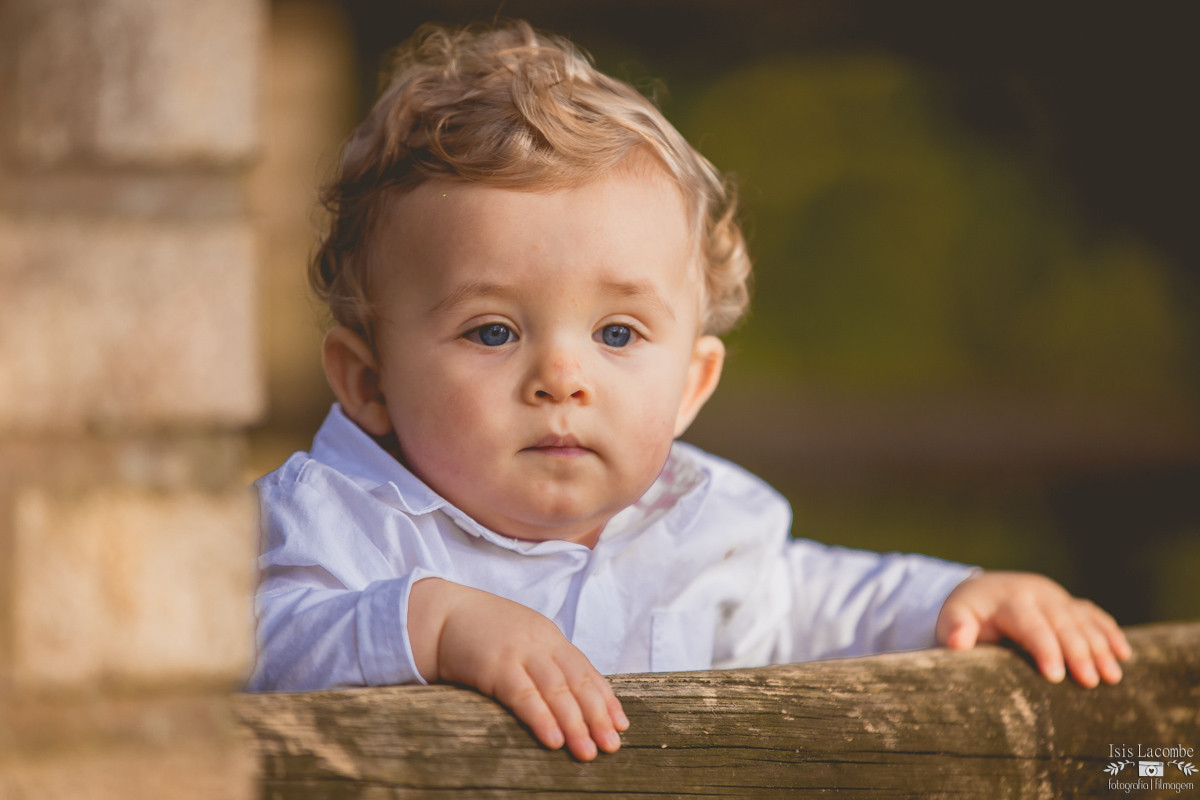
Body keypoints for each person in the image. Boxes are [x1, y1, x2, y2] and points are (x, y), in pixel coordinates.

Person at [247, 20, 1131, 762]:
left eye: (617, 334)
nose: (562, 378)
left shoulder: (703, 531)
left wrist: (954, 600)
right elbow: (240, 646)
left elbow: (821, 601)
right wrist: (433, 625)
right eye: (493, 331)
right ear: (368, 382)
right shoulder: (336, 526)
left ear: (691, 385)